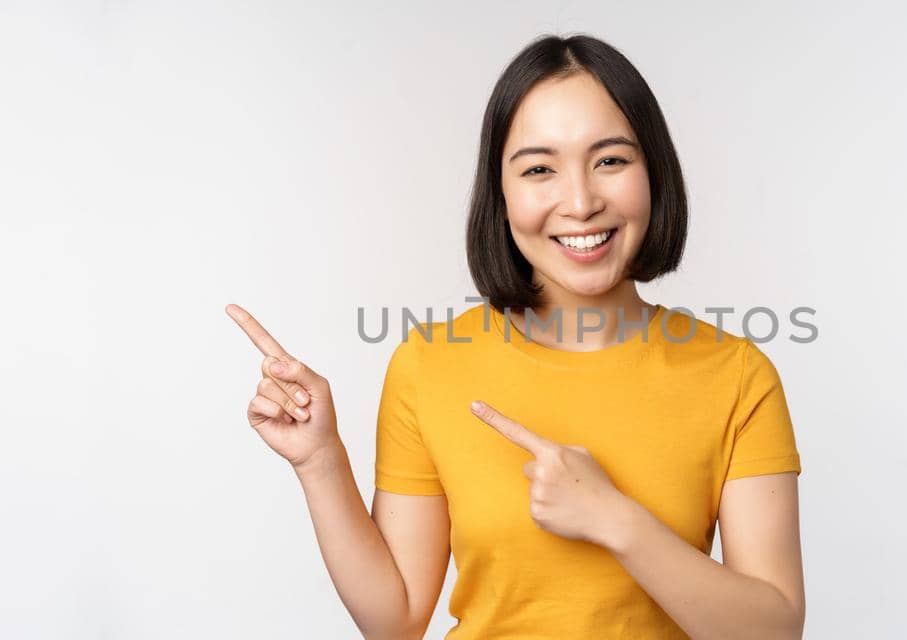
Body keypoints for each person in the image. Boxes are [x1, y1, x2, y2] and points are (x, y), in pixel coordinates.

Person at [225, 33, 804, 639]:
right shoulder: (429, 366)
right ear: (500, 196)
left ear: (654, 173)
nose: (580, 202)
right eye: (539, 170)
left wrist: (616, 521)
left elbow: (774, 632)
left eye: (610, 159)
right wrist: (320, 461)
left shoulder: (735, 373)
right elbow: (394, 623)